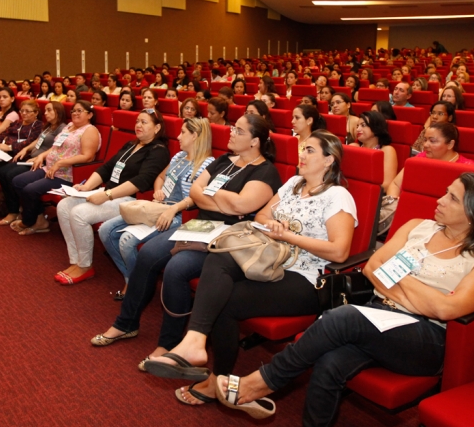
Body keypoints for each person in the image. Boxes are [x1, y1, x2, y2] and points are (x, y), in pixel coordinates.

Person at [216, 173, 474, 427]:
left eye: (453, 198)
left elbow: (445, 310)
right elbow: (373, 269)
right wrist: (412, 291)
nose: (440, 200)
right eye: (445, 192)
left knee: (345, 316)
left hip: (424, 339)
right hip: (379, 315)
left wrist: (398, 282)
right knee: (330, 362)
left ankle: (265, 381)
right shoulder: (418, 226)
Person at [143, 131, 357, 405]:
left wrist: (287, 235)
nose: (302, 155)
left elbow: (340, 251)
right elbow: (263, 214)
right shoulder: (293, 183)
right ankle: (195, 341)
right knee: (219, 254)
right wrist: (273, 225)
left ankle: (216, 378)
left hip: (305, 278)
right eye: (303, 149)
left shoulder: (338, 196)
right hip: (268, 260)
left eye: (311, 151)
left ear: (329, 160)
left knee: (226, 301)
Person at [104, 114, 282, 368]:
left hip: (229, 236)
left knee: (176, 269)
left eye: (239, 131)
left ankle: (170, 344)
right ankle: (126, 324)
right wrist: (223, 199)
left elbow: (242, 207)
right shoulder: (223, 160)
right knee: (148, 254)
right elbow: (197, 193)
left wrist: (212, 194)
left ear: (255, 141)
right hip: (199, 226)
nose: (231, 133)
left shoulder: (266, 172)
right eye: (233, 128)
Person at [94, 117, 214, 304]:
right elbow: (160, 176)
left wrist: (173, 207)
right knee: (106, 230)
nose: (178, 136)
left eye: (183, 132)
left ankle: (136, 288)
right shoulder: (179, 156)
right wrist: (159, 189)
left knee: (126, 241)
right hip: (160, 206)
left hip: (180, 214)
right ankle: (132, 278)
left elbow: (197, 197)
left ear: (195, 136)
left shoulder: (207, 164)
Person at [54, 110, 171, 285]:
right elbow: (107, 168)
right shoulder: (131, 145)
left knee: (79, 213)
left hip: (129, 199)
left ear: (157, 128)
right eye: (137, 121)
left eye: (144, 122)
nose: (138, 125)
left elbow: (142, 181)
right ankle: (76, 260)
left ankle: (85, 266)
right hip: (108, 194)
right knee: (64, 206)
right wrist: (87, 187)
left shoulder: (158, 151)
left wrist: (107, 195)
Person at [11, 101, 100, 235]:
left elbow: (87, 156)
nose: (75, 113)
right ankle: (39, 218)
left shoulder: (90, 130)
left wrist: (60, 163)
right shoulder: (69, 126)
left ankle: (29, 221)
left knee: (30, 190)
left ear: (90, 115)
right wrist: (41, 156)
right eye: (73, 111)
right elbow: (55, 147)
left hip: (67, 174)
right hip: (50, 169)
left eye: (79, 111)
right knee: (18, 181)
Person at [0, 101, 67, 227]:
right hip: (32, 158)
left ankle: (17, 210)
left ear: (58, 111)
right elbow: (37, 140)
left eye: (49, 110)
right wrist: (26, 149)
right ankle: (15, 208)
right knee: (2, 172)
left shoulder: (62, 128)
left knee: (11, 175)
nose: (46, 113)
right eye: (45, 110)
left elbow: (57, 149)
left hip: (42, 161)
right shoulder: (48, 126)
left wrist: (39, 157)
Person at [351, 111, 397, 191]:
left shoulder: (387, 150)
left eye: (363, 125)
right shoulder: (354, 147)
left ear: (376, 128)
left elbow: (386, 184)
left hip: (373, 194)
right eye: (357, 126)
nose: (358, 129)